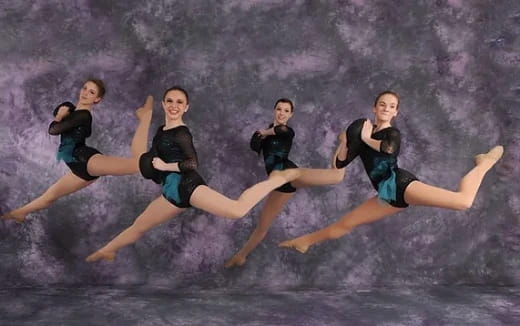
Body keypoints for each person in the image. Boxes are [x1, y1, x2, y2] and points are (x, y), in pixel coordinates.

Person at [86, 86, 300, 262]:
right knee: (139, 225)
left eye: (179, 102)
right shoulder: (162, 130)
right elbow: (145, 157)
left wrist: (164, 166)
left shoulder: (182, 133)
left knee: (236, 210)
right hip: (171, 192)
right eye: (170, 101)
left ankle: (278, 180)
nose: (174, 106)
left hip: (188, 186)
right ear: (163, 104)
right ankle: (108, 250)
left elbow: (192, 163)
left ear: (186, 107)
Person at [279, 90, 504, 253]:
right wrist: (346, 141)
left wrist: (365, 138)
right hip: (387, 195)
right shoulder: (364, 133)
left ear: (396, 112)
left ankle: (484, 163)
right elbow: (338, 165)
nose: (387, 108)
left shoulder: (391, 134)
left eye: (392, 106)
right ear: (375, 108)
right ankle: (305, 241)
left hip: (400, 184)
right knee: (346, 223)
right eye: (383, 104)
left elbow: (388, 150)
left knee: (463, 201)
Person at [2, 79, 154, 223]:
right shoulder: (74, 111)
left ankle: (145, 117)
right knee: (50, 196)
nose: (86, 93)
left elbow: (54, 129)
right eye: (85, 88)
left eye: (92, 92)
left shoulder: (83, 115)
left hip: (86, 160)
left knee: (137, 164)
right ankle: (20, 213)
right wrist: (63, 111)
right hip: (77, 167)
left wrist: (61, 115)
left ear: (97, 99)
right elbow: (59, 112)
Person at [225, 98, 348, 268]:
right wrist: (260, 135)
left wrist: (264, 132)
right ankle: (241, 256)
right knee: (262, 226)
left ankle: (345, 143)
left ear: (291, 115)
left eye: (286, 111)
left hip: (285, 171)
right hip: (282, 184)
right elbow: (254, 146)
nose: (282, 113)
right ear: (274, 111)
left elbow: (282, 131)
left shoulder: (286, 130)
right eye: (279, 109)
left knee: (337, 176)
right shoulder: (265, 133)